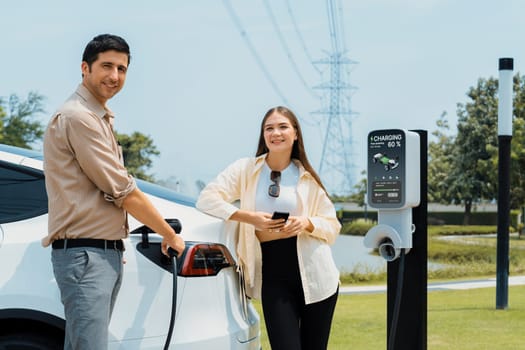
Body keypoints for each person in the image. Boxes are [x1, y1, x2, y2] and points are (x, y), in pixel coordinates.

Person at [42, 34, 185, 350]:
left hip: (98, 253)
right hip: (85, 255)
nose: (115, 76)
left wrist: (111, 244)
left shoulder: (97, 117)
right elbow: (123, 190)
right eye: (107, 66)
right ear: (85, 68)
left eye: (122, 69)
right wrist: (168, 234)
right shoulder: (79, 118)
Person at [196, 106, 341, 350]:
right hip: (273, 274)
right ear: (263, 135)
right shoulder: (245, 169)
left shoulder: (307, 177)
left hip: (316, 276)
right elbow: (207, 199)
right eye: (269, 128)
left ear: (295, 133)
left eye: (283, 127)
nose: (276, 133)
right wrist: (250, 217)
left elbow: (332, 226)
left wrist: (306, 223)